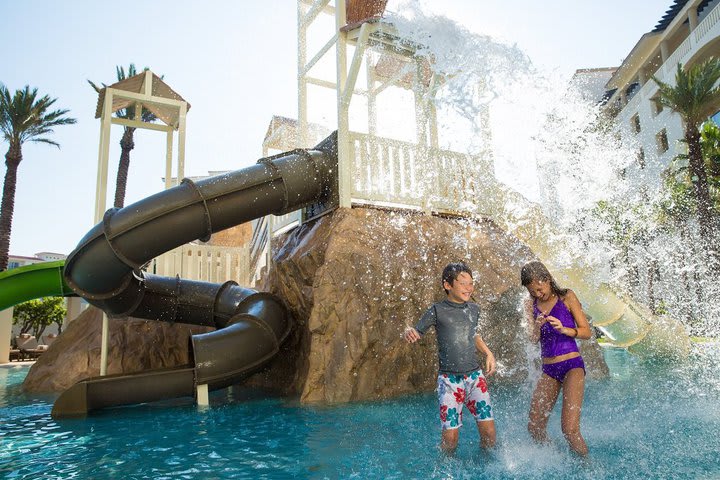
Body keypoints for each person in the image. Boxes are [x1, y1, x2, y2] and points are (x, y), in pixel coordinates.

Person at [404, 262, 497, 454]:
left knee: (489, 433)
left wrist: (488, 353)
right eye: (463, 283)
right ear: (448, 285)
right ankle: (446, 468)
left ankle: (487, 466)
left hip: (475, 378)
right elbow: (416, 330)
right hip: (449, 381)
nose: (468, 288)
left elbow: (474, 335)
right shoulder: (437, 310)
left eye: (471, 283)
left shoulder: (474, 309)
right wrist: (409, 331)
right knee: (451, 438)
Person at [520, 260, 591, 456]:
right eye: (532, 291)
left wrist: (564, 329)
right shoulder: (530, 304)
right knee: (534, 427)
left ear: (548, 279)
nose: (537, 294)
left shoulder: (567, 296)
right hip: (550, 370)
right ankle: (557, 458)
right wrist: (537, 326)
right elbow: (533, 340)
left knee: (569, 430)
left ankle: (588, 468)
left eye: (539, 289)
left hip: (572, 366)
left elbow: (586, 332)